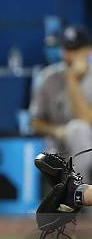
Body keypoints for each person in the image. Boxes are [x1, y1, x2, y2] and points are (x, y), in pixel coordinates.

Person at [30, 26, 92, 182]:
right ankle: (76, 197)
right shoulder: (48, 77)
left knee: (78, 130)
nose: (68, 55)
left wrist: (72, 81)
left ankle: (79, 197)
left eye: (75, 49)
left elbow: (87, 121)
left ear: (88, 50)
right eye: (66, 48)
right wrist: (58, 131)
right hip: (58, 145)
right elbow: (35, 123)